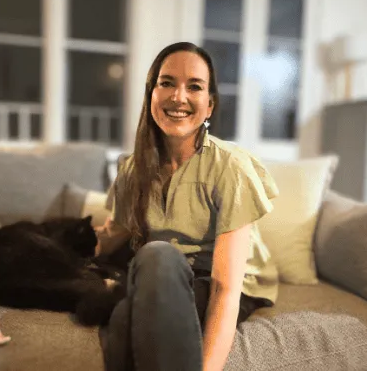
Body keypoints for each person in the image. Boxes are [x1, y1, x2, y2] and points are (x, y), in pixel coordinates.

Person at [94, 42, 279, 371]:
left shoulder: (230, 165)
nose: (178, 97)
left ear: (209, 106)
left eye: (194, 86)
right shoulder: (133, 170)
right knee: (125, 309)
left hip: (224, 280)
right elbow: (113, 234)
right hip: (163, 276)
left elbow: (226, 288)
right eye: (166, 83)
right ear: (151, 94)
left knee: (156, 255)